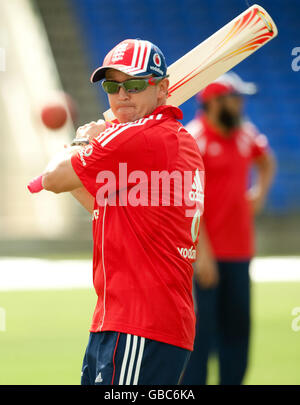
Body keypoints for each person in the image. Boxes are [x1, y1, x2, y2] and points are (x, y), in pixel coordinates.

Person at [39, 39, 205, 385]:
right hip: (129, 321)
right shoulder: (176, 138)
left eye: (133, 84)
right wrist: (94, 150)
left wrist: (83, 141)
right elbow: (104, 208)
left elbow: (53, 178)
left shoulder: (140, 137)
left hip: (140, 322)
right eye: (113, 86)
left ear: (162, 89)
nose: (121, 95)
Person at [181, 74, 276, 385]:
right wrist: (201, 254)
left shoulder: (245, 134)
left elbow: (267, 162)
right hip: (203, 256)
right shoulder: (193, 140)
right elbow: (187, 203)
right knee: (199, 338)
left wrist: (259, 193)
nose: (241, 104)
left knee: (237, 333)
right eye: (235, 98)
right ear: (215, 103)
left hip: (239, 252)